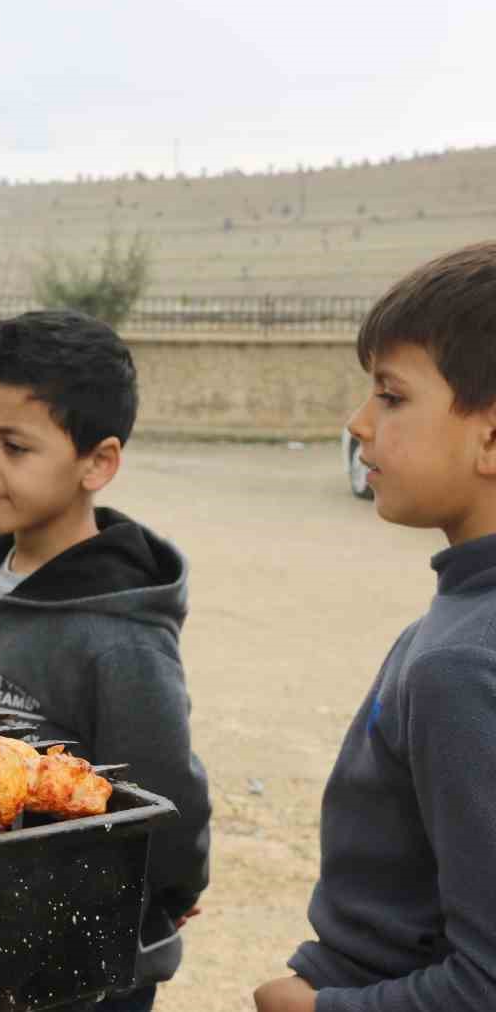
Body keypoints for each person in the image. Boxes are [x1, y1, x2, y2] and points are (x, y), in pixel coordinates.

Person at [0, 311, 210, 1012]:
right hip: (3, 927)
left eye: (14, 446)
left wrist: (160, 903)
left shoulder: (119, 636)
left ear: (99, 462)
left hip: (85, 969)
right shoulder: (4, 563)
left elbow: (168, 795)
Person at [253, 242, 496, 1012]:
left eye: (390, 396)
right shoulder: (462, 620)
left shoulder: (460, 665)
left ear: (490, 437)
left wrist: (313, 1008)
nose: (358, 424)